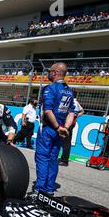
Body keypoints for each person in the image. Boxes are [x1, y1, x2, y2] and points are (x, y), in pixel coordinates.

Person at [35, 62, 76, 195]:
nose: (48, 73)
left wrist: (57, 127)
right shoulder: (70, 91)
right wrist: (65, 128)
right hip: (61, 130)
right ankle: (49, 189)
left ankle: (39, 189)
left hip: (49, 128)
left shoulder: (50, 88)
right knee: (53, 159)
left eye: (50, 70)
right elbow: (72, 112)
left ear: (55, 72)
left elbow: (47, 111)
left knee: (42, 157)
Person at [59, 98, 84, 166]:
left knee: (65, 142)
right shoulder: (76, 101)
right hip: (72, 123)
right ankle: (63, 158)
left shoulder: (69, 100)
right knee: (66, 142)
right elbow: (82, 111)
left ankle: (64, 160)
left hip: (67, 123)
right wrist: (75, 116)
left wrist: (73, 117)